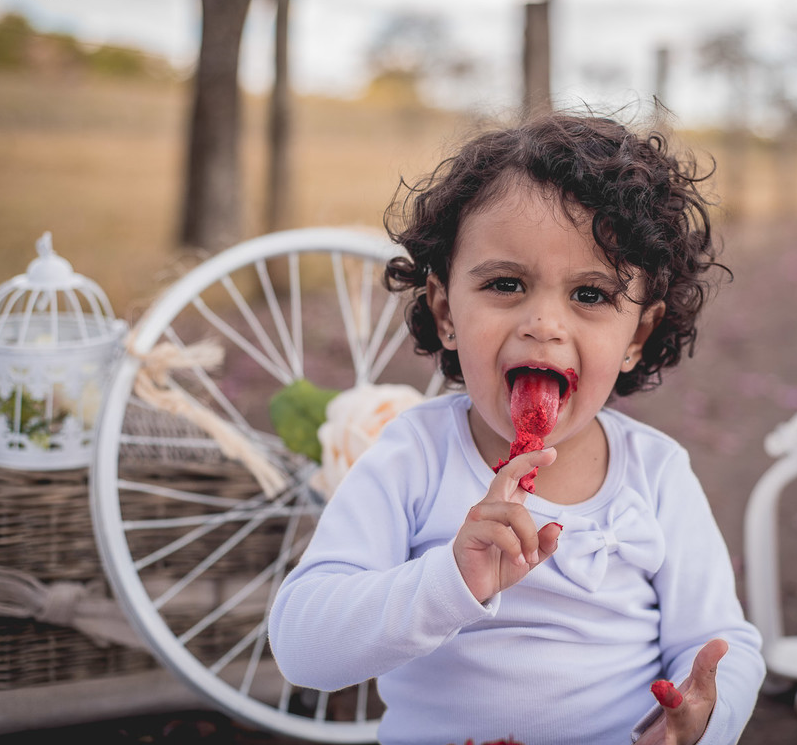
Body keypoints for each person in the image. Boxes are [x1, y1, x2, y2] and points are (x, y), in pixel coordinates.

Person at [269, 113, 764, 744]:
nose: (544, 323)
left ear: (638, 334)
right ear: (445, 311)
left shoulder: (656, 472)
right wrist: (451, 581)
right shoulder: (413, 455)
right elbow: (302, 646)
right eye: (506, 284)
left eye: (590, 295)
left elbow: (720, 644)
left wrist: (699, 722)